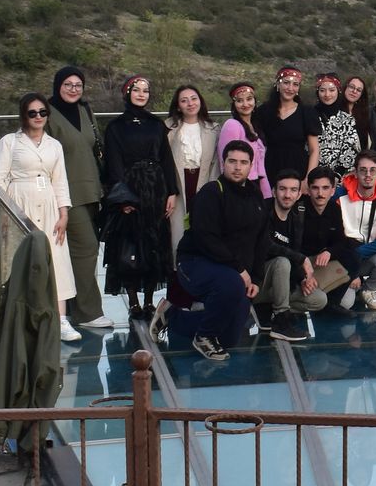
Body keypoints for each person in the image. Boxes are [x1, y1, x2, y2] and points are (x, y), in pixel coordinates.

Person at [0, 93, 82, 342]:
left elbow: (60, 180)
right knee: (23, 259)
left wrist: (64, 212)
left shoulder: (54, 145)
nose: (38, 117)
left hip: (50, 205)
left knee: (57, 258)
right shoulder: (10, 142)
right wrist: (8, 212)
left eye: (42, 112)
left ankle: (61, 319)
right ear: (24, 115)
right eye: (33, 113)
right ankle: (22, 318)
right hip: (21, 202)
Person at [169, 139, 265, 361]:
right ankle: (204, 337)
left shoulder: (255, 196)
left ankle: (172, 317)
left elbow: (261, 240)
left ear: (251, 165)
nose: (237, 167)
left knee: (231, 337)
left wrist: (257, 278)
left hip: (229, 268)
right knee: (231, 284)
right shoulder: (211, 192)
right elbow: (206, 238)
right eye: (232, 161)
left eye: (243, 162)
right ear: (224, 164)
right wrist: (240, 270)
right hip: (195, 262)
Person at [100, 75, 176, 320]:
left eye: (146, 90)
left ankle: (149, 300)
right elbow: (114, 164)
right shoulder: (115, 127)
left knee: (154, 245)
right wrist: (122, 198)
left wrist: (171, 192)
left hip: (156, 188)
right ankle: (133, 301)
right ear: (127, 93)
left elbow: (166, 159)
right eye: (137, 90)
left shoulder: (156, 125)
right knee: (130, 244)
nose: (142, 94)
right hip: (130, 189)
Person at [44, 65, 111, 328]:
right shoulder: (46, 113)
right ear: (57, 85)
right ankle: (88, 313)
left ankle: (69, 308)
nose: (73, 89)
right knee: (87, 249)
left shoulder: (85, 110)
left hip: (91, 190)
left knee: (72, 252)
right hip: (65, 193)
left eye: (78, 85)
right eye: (68, 84)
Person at [253, 169, 323, 341]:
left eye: (293, 190)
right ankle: (281, 323)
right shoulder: (262, 210)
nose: (287, 195)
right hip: (255, 283)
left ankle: (267, 311)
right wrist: (301, 259)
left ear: (299, 194)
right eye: (283, 189)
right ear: (274, 191)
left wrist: (302, 279)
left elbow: (295, 252)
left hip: (279, 285)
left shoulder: (296, 217)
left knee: (319, 299)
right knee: (282, 262)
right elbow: (265, 245)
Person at [337, 149, 376, 309]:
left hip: (365, 255)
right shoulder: (339, 195)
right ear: (355, 172)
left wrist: (357, 255)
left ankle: (368, 290)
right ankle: (348, 284)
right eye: (363, 170)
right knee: (345, 304)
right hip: (342, 259)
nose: (368, 175)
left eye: (373, 170)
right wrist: (350, 262)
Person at [291, 167, 357, 309]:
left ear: (333, 190)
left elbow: (341, 241)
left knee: (354, 252)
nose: (320, 193)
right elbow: (291, 249)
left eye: (325, 188)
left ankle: (333, 303)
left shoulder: (334, 209)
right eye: (315, 188)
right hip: (300, 264)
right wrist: (304, 275)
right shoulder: (298, 210)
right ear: (308, 190)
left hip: (321, 262)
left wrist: (329, 252)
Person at [164, 84, 217, 253]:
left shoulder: (213, 128)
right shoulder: (168, 129)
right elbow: (163, 160)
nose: (190, 103)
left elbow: (215, 163)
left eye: (194, 99)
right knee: (178, 232)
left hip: (203, 181)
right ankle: (177, 271)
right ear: (178, 106)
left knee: (203, 227)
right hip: (179, 183)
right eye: (184, 101)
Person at [252, 66, 320, 179]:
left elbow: (314, 150)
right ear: (278, 84)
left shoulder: (307, 112)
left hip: (299, 172)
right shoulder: (263, 111)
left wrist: (308, 179)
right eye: (286, 83)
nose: (290, 88)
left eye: (295, 84)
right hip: (269, 171)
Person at [217, 80, 269, 197]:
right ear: (234, 105)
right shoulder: (232, 125)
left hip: (256, 183)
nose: (245, 104)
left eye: (249, 99)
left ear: (255, 101)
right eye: (240, 101)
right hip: (239, 185)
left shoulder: (255, 126)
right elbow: (225, 161)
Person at [312, 72, 362, 177]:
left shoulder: (347, 119)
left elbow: (350, 149)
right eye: (322, 90)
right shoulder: (309, 115)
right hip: (312, 175)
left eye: (331, 90)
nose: (327, 95)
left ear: (338, 91)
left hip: (339, 178)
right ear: (317, 92)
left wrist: (338, 174)